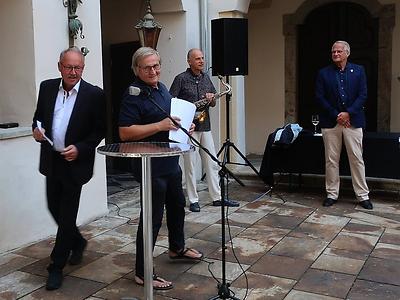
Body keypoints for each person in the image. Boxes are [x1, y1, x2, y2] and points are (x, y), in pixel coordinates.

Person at [119, 47, 203, 290]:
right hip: (149, 166)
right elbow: (125, 132)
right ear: (137, 70)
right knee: (152, 219)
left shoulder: (162, 88)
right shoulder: (133, 94)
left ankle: (177, 248)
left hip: (169, 161)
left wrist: (184, 126)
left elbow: (170, 122)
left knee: (177, 207)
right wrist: (159, 125)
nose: (153, 70)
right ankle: (142, 272)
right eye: (147, 67)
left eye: (156, 65)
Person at [32, 46, 106, 290]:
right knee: (53, 206)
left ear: (83, 68)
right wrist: (36, 130)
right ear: (59, 66)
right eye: (69, 67)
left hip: (75, 164)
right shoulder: (46, 87)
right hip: (52, 160)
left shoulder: (94, 95)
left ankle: (56, 266)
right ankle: (77, 242)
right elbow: (38, 118)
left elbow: (100, 130)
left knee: (66, 217)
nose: (73, 72)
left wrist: (81, 148)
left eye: (78, 67)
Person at [169, 48, 239, 212]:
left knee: (212, 162)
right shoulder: (180, 79)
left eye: (202, 58)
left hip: (205, 125)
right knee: (191, 166)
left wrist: (211, 99)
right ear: (189, 61)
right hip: (189, 128)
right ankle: (193, 200)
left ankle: (217, 197)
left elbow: (213, 102)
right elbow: (172, 100)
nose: (201, 61)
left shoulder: (206, 77)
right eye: (197, 59)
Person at [315, 40, 372, 209]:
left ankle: (363, 196)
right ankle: (332, 194)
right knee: (331, 160)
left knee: (357, 159)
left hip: (353, 122)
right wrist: (337, 115)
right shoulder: (323, 73)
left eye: (339, 51)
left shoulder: (359, 71)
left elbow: (363, 95)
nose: (336, 54)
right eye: (333, 51)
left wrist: (349, 113)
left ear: (347, 53)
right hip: (331, 122)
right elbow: (320, 97)